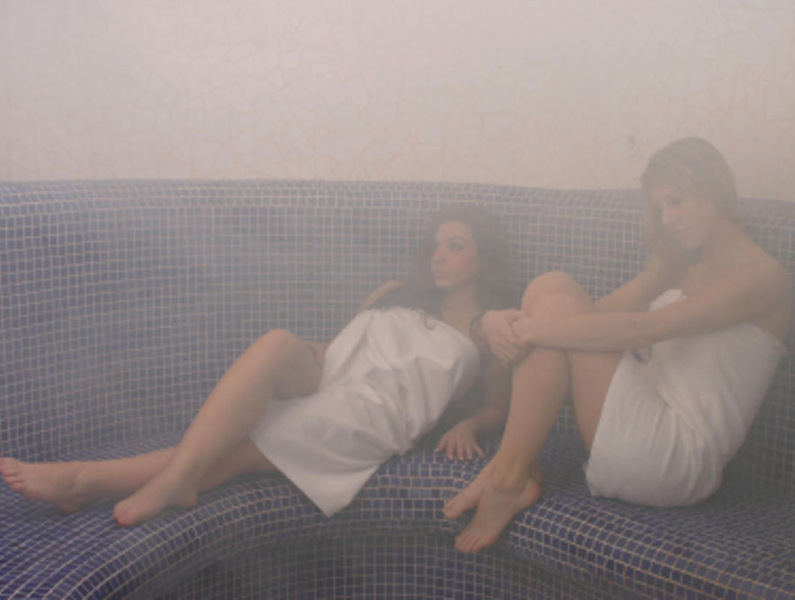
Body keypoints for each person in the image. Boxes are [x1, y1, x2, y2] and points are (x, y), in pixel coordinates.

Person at [1, 205, 512, 525]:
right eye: (434, 246)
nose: (438, 256)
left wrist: (469, 424)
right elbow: (356, 346)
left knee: (251, 444)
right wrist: (319, 347)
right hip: (333, 377)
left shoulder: (489, 332)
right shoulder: (393, 291)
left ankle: (83, 481)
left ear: (483, 257)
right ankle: (173, 479)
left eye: (455, 246)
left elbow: (496, 408)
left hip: (374, 415)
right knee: (276, 343)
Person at [444, 136, 791, 554]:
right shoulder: (677, 270)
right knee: (551, 288)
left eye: (676, 201)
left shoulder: (765, 277)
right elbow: (585, 318)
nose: (667, 219)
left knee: (553, 309)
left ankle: (507, 474)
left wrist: (529, 330)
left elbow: (642, 329)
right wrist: (492, 322)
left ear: (714, 187)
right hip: (644, 423)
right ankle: (511, 467)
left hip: (676, 457)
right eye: (659, 209)